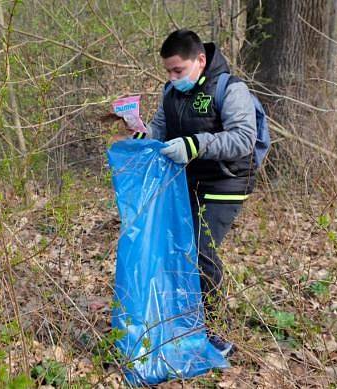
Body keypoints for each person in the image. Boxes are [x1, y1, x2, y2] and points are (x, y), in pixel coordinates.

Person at [129, 29, 257, 357]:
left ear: (200, 60)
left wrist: (195, 144)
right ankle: (180, 320)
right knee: (176, 247)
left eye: (178, 71)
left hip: (227, 182)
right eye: (168, 72)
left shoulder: (231, 89)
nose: (172, 78)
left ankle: (212, 331)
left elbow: (243, 138)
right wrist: (142, 137)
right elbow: (160, 130)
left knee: (200, 249)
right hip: (187, 181)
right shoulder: (170, 93)